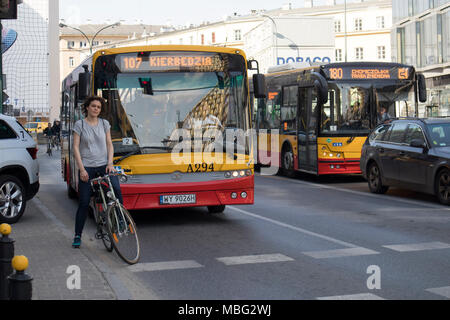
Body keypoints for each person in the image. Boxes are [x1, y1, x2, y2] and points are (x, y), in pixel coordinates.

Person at [72, 96, 123, 248]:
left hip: (103, 165)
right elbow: (75, 147)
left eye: (98, 107)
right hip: (87, 167)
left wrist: (110, 163)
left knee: (116, 189)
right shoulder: (79, 124)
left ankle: (120, 219)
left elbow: (109, 144)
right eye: (93, 106)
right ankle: (77, 235)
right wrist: (81, 170)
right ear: (87, 107)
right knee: (83, 202)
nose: (96, 109)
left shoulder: (104, 123)